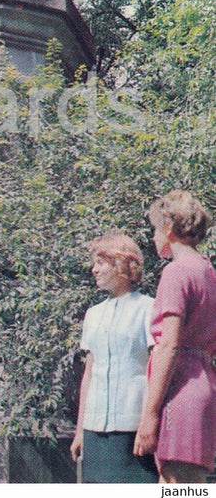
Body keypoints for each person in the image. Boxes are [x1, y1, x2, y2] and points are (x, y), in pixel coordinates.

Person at [134, 190, 216, 483]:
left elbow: (169, 345)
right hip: (204, 383)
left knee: (176, 486)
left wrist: (150, 414)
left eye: (156, 229)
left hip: (180, 388)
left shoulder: (176, 272)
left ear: (168, 229)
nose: (154, 237)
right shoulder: (208, 271)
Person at [70, 232, 158, 483]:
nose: (94, 270)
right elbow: (89, 373)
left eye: (100, 262)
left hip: (133, 428)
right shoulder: (93, 314)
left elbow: (156, 366)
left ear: (120, 264)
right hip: (94, 429)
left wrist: (149, 421)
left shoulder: (148, 308)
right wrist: (80, 430)